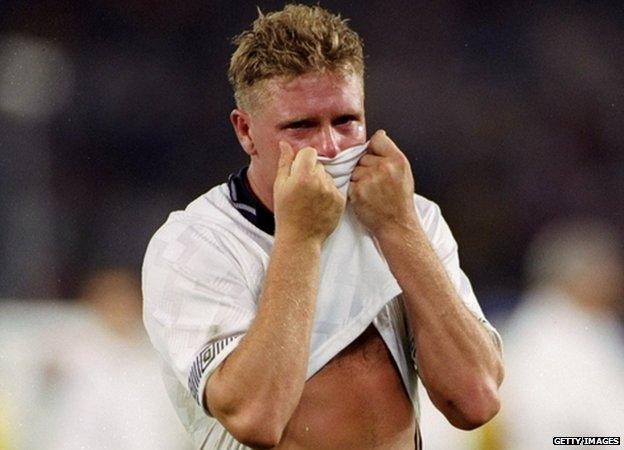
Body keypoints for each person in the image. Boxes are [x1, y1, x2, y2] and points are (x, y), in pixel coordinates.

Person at [142, 4, 503, 449]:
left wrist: (398, 229)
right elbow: (256, 417)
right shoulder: (196, 245)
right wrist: (299, 237)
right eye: (301, 126)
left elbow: (476, 400)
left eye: (346, 121)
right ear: (245, 131)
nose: (330, 147)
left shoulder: (414, 219)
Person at [499, 218, 624, 450]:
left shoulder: (595, 322)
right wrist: (612, 441)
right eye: (604, 270)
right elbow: (539, 433)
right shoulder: (540, 333)